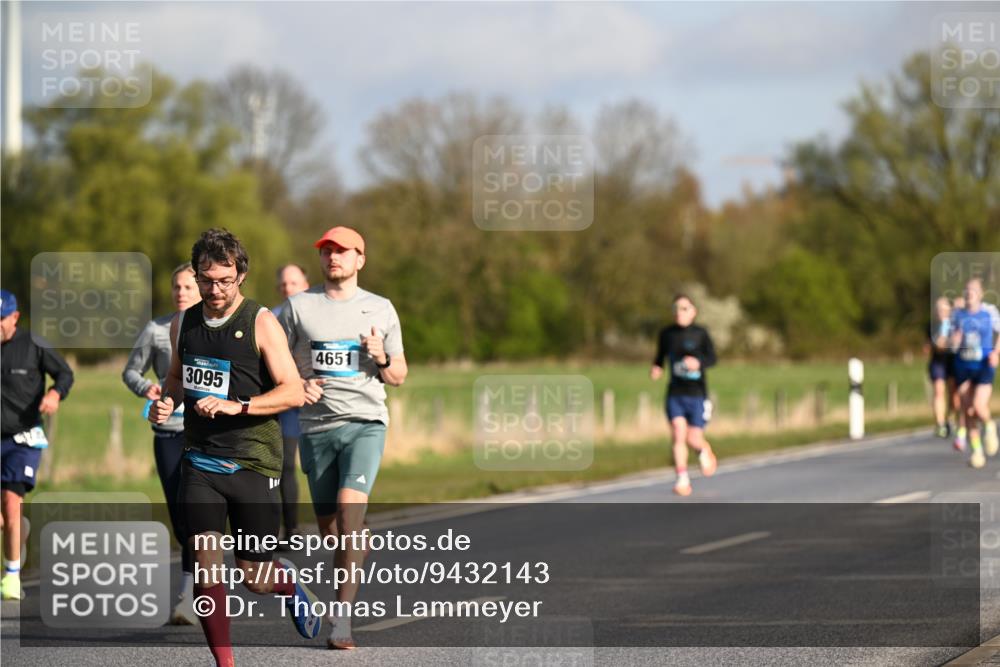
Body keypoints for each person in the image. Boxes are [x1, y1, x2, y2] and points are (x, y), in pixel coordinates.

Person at [148, 229, 320, 667]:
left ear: (241, 274)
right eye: (207, 280)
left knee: (254, 579)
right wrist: (166, 402)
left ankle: (286, 583)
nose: (215, 289)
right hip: (200, 462)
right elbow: (175, 378)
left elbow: (293, 392)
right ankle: (226, 663)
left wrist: (236, 405)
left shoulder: (260, 321)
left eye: (225, 280)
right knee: (207, 568)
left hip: (253, 462)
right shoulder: (182, 323)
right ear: (196, 275)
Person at [277, 226, 407, 650]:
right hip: (315, 428)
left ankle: (342, 619)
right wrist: (297, 383)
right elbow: (269, 358)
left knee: (350, 518)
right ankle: (353, 549)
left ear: (360, 259)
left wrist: (381, 356)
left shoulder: (381, 309)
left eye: (343, 251)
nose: (334, 257)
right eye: (327, 251)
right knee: (332, 530)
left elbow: (398, 375)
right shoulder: (297, 307)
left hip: (365, 422)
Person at [122, 262, 201, 623]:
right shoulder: (156, 329)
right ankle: (194, 586)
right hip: (169, 432)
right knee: (180, 517)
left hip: (204, 433)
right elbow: (131, 371)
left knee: (198, 511)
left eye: (188, 286)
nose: (181, 292)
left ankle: (192, 595)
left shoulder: (210, 328)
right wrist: (146, 388)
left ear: (200, 289)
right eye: (177, 287)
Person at [1, 289, 74, 600]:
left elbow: (64, 374)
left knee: (10, 501)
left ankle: (12, 575)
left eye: (1, 319)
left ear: (15, 317)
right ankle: (19, 531)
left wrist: (55, 394)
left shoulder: (34, 344)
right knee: (5, 517)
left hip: (23, 437)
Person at [650, 294, 717, 497]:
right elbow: (660, 355)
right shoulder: (667, 334)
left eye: (685, 308)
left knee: (693, 438)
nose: (680, 312)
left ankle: (703, 451)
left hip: (697, 393)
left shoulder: (700, 333)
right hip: (675, 393)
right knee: (678, 434)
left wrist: (699, 363)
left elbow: (713, 358)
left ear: (693, 311)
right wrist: (657, 368)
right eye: (677, 309)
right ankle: (682, 479)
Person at [272, 264, 310, 548]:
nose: (288, 289)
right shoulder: (269, 317)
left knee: (322, 466)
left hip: (315, 401)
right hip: (283, 404)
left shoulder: (317, 314)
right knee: (283, 466)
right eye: (284, 284)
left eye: (293, 283)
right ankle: (289, 530)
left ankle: (350, 518)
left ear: (305, 284)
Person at [950, 278, 999, 468]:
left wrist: (996, 352)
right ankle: (977, 452)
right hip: (963, 366)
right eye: (966, 290)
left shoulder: (989, 313)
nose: (968, 293)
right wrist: (954, 341)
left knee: (978, 406)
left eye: (972, 290)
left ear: (980, 294)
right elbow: (952, 342)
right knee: (967, 411)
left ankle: (989, 426)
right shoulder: (958, 315)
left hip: (984, 365)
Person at [926, 296, 956, 440]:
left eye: (944, 309)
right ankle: (940, 424)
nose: (941, 312)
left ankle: (948, 418)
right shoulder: (931, 326)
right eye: (938, 309)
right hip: (938, 362)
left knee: (953, 396)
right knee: (938, 391)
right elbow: (935, 347)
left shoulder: (956, 325)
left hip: (952, 362)